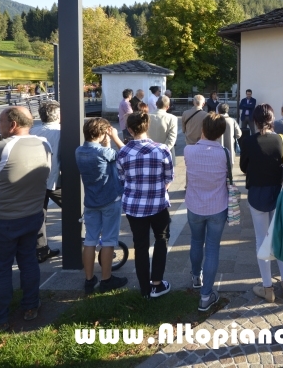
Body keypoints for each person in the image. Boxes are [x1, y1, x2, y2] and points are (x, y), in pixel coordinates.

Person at [0, 106, 51, 331]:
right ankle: (31, 306)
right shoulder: (44, 144)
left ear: (12, 124)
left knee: (0, 268)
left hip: (3, 219)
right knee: (28, 261)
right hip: (33, 215)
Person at [118, 112, 174, 299]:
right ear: (147, 126)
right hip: (158, 204)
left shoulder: (123, 152)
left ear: (130, 129)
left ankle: (144, 289)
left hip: (134, 206)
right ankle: (156, 283)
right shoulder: (162, 149)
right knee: (161, 239)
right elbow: (169, 177)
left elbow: (122, 178)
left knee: (140, 246)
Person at [239, 104, 283, 302]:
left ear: (255, 120)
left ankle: (268, 287)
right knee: (280, 237)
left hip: (257, 193)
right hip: (277, 193)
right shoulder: (280, 139)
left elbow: (243, 167)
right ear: (272, 118)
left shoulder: (249, 141)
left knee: (261, 239)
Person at [76, 118, 128, 295]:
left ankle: (89, 280)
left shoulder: (79, 151)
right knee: (108, 240)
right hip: (109, 200)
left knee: (90, 240)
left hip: (90, 201)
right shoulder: (103, 152)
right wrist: (113, 138)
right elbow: (126, 152)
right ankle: (107, 279)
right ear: (102, 133)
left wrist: (105, 143)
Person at [184, 113, 230, 312]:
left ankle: (196, 277)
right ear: (221, 133)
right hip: (217, 206)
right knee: (212, 248)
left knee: (195, 241)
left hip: (194, 205)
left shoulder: (188, 151)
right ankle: (205, 295)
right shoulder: (225, 154)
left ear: (203, 129)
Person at [32, 101, 62, 262]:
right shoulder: (61, 132)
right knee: (77, 210)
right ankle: (82, 243)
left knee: (39, 214)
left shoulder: (32, 131)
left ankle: (40, 249)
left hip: (35, 181)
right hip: (56, 180)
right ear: (58, 115)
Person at [148, 95, 178, 165]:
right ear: (168, 107)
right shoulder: (172, 118)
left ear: (156, 104)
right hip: (165, 153)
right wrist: (162, 150)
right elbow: (172, 138)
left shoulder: (146, 117)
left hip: (149, 151)